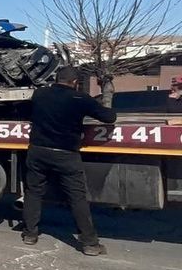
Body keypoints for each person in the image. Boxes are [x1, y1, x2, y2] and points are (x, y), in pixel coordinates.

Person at [22, 65, 117, 256]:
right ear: (74, 82)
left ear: (57, 78)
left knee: (33, 193)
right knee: (77, 197)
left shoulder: (40, 94)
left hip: (38, 151)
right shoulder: (80, 99)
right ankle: (90, 243)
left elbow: (25, 111)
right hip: (66, 154)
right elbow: (109, 117)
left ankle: (30, 234)